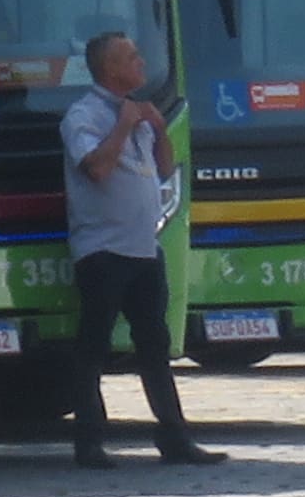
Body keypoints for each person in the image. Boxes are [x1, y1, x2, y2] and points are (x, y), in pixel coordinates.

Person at [57, 28, 224, 470]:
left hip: (143, 249)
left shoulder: (139, 113)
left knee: (156, 344)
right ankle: (90, 440)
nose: (141, 65)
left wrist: (157, 127)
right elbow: (96, 168)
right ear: (110, 68)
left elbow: (165, 167)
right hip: (102, 250)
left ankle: (174, 436)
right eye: (132, 58)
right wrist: (125, 125)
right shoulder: (84, 115)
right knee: (93, 346)